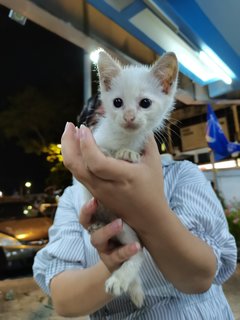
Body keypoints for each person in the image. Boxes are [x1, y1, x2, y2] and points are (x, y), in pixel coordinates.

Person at [33, 94, 237, 319]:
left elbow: (199, 277)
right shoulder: (73, 198)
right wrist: (117, 264)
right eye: (103, 120)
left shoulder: (181, 175)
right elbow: (65, 301)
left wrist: (146, 212)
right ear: (82, 138)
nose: (121, 122)